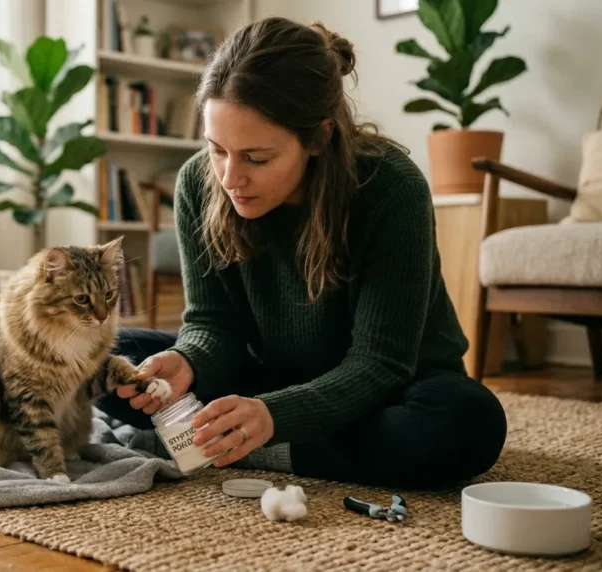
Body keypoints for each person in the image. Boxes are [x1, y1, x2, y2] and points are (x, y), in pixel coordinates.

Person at [96, 17, 507, 490]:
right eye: (217, 149)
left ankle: (224, 445)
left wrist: (273, 416)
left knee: (467, 422)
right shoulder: (198, 182)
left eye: (257, 158)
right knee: (110, 356)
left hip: (386, 389)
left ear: (319, 136)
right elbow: (213, 325)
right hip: (264, 378)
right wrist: (188, 360)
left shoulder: (391, 187)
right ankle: (244, 438)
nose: (231, 178)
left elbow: (379, 363)